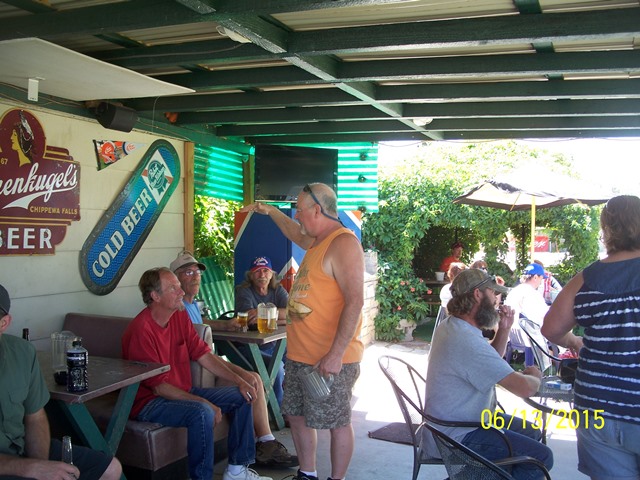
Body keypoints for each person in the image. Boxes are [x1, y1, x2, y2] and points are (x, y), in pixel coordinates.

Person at [243, 182, 364, 480]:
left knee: (337, 422)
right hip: (300, 354)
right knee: (296, 415)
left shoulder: (343, 243)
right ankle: (307, 473)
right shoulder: (316, 241)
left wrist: (336, 354)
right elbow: (294, 233)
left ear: (317, 210)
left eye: (299, 209)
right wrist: (271, 211)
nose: (296, 215)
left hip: (331, 357)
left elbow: (355, 301)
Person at [122, 268, 279, 480]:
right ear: (155, 296)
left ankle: (237, 470)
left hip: (182, 391)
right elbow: (159, 387)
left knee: (244, 394)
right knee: (202, 412)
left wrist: (240, 381)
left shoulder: (179, 316)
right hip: (150, 402)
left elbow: (203, 355)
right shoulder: (141, 329)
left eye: (179, 286)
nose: (181, 292)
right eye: (173, 288)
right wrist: (203, 402)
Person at [542, 195, 640, 480]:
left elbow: (551, 329)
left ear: (606, 228)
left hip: (596, 406)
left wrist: (574, 342)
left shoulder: (587, 278)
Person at [169, 252, 297, 468]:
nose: (195, 276)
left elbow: (202, 323)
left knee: (256, 377)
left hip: (206, 363)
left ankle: (265, 442)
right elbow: (197, 345)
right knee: (253, 381)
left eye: (197, 272)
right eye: (188, 273)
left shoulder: (191, 305)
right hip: (198, 373)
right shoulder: (178, 307)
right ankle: (259, 447)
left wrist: (225, 325)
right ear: (175, 280)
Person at [423, 270, 553, 480]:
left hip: (460, 422)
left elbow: (488, 359)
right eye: (493, 293)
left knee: (532, 432)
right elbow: (525, 388)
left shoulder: (453, 326)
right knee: (541, 457)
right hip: (458, 433)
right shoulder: (466, 339)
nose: (496, 300)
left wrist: (504, 329)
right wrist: (536, 376)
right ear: (477, 294)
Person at [0, 284, 122, 480]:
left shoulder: (22, 353)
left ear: (4, 323)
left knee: (110, 469)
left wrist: (41, 465)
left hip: (21, 447)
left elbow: (35, 416)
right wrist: (30, 468)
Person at [234, 256, 288, 406]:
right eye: (257, 271)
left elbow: (292, 313)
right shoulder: (244, 291)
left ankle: (292, 406)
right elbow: (249, 319)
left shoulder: (278, 290)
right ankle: (278, 410)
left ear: (271, 274)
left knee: (299, 359)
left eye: (265, 271)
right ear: (251, 275)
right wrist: (280, 317)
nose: (262, 275)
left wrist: (264, 313)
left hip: (275, 345)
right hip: (251, 348)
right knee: (277, 368)